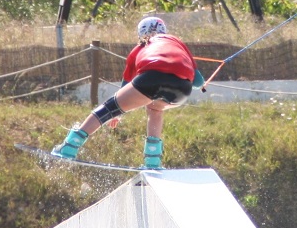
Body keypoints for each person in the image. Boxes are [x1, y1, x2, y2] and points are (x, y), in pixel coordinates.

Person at [52, 16, 203, 169]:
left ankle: (70, 146)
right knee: (155, 108)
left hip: (151, 78)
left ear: (141, 34)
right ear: (164, 31)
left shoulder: (139, 48)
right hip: (182, 91)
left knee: (109, 108)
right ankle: (152, 162)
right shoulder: (176, 42)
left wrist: (118, 113)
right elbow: (198, 82)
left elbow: (126, 87)